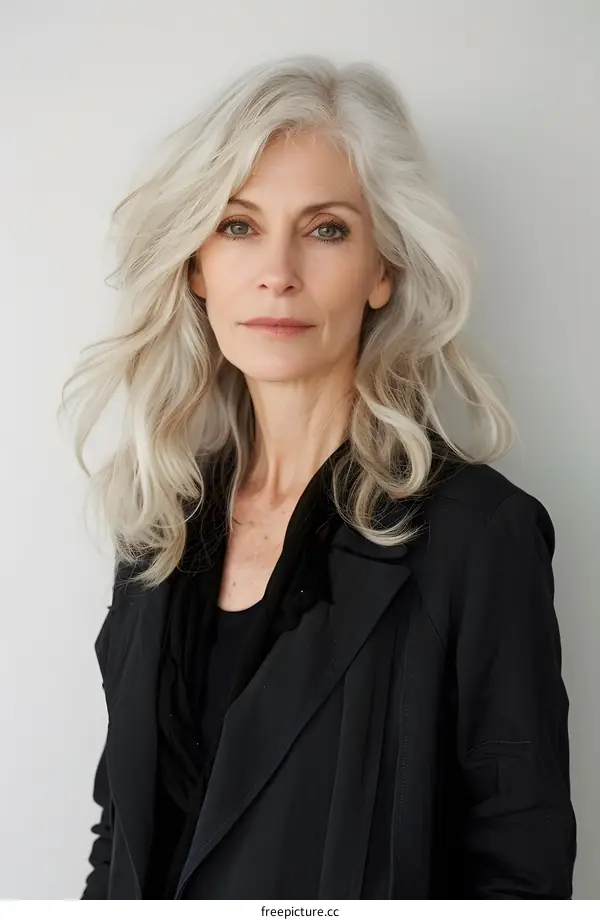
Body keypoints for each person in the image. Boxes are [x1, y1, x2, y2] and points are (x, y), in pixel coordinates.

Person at [59, 54, 576, 899]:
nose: (278, 272)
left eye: (327, 228)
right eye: (237, 226)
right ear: (195, 267)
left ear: (384, 270)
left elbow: (519, 874)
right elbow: (121, 836)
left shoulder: (479, 535)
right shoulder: (159, 526)